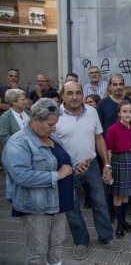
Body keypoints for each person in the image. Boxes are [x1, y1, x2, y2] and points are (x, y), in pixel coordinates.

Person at [55, 81, 123, 260]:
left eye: (78, 92)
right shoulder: (54, 115)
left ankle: (106, 237)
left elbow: (99, 139)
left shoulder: (92, 111)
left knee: (100, 203)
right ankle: (80, 241)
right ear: (62, 95)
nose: (75, 97)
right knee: (72, 208)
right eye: (70, 93)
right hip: (68, 169)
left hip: (91, 165)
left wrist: (107, 165)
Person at [2, 98, 74, 265]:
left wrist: (76, 164)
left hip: (60, 201)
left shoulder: (52, 136)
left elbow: (61, 159)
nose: (54, 128)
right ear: (34, 119)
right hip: (37, 206)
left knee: (56, 245)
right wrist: (57, 175)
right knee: (37, 252)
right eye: (50, 124)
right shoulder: (18, 142)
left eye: (55, 123)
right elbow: (21, 176)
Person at [106, 101, 131, 239]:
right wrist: (108, 168)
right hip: (118, 162)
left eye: (130, 111)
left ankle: (123, 221)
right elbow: (108, 150)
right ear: (119, 113)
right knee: (117, 195)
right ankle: (119, 225)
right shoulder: (112, 129)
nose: (127, 114)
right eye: (124, 111)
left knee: (126, 195)